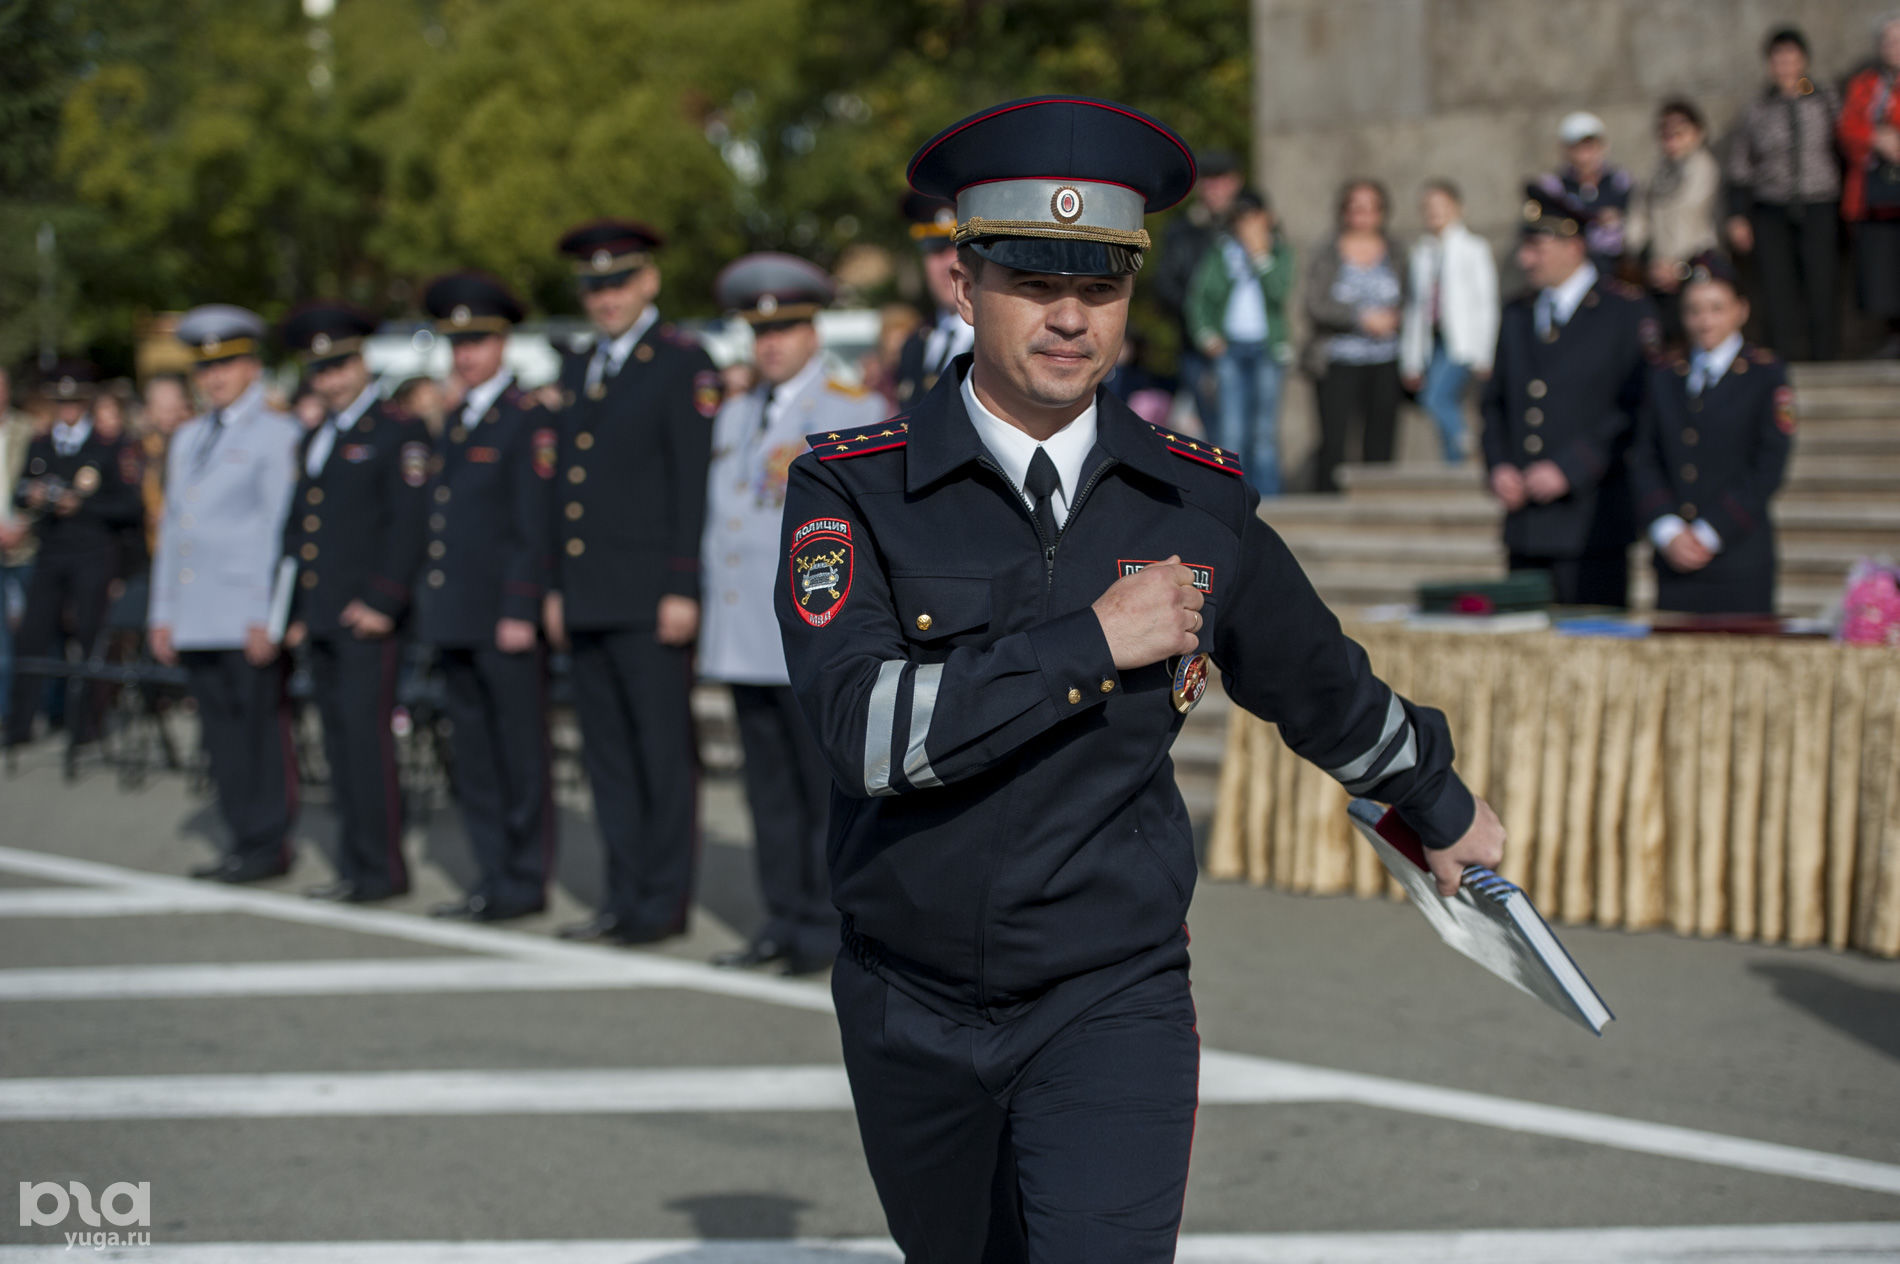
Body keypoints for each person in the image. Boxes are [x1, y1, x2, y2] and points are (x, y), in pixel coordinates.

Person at [777, 95, 1505, 1261]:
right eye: (1033, 281)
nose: (1070, 318)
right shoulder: (852, 488)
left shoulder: (1194, 499)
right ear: (962, 287)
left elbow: (1317, 680)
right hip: (905, 1000)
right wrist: (1090, 641)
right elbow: (862, 732)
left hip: (1106, 992)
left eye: (1102, 286)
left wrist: (1440, 801)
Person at [702, 253, 885, 976]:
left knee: (821, 796)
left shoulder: (850, 409)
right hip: (742, 635)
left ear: (814, 329)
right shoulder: (739, 409)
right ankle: (779, 916)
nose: (770, 343)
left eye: (785, 327)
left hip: (806, 637)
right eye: (760, 330)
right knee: (767, 793)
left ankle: (825, 925)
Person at [542, 219, 718, 946]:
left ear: (647, 281)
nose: (605, 297)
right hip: (589, 595)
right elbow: (566, 491)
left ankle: (661, 902)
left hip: (650, 597)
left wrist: (682, 584)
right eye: (593, 285)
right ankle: (622, 894)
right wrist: (557, 584)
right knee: (607, 759)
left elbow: (689, 483)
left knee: (660, 757)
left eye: (618, 281)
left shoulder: (680, 362)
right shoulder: (580, 366)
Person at [278, 303, 432, 903]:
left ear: (362, 361)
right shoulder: (321, 435)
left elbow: (407, 524)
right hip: (322, 614)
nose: (331, 378)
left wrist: (383, 600)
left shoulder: (396, 429)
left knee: (368, 746)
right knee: (338, 744)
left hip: (366, 618)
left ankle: (381, 869)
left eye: (341, 364)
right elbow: (302, 530)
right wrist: (291, 611)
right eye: (320, 368)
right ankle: (355, 863)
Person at [415, 273, 556, 922]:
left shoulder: (525, 420)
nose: (465, 355)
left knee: (518, 755)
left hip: (502, 618)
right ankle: (491, 873)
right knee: (472, 756)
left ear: (502, 344)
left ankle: (524, 879)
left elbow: (533, 522)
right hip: (458, 615)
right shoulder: (459, 419)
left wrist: (519, 607)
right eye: (456, 343)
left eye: (477, 341)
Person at [149, 308, 302, 882]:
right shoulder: (189, 437)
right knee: (221, 736)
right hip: (197, 613)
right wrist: (164, 613)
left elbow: (279, 532)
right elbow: (173, 531)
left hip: (246, 615)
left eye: (226, 365)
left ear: (251, 367)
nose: (213, 379)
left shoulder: (276, 434)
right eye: (205, 368)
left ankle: (268, 842)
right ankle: (242, 836)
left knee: (261, 732)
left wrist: (270, 614)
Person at [1482, 186, 1659, 608]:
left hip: (1591, 520)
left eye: (1536, 247)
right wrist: (1500, 464)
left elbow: (1637, 410)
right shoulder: (1517, 314)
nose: (1526, 259)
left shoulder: (1624, 312)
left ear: (1573, 245)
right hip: (1526, 519)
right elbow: (1495, 403)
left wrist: (1571, 468)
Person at [1630, 253, 1792, 615]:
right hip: (1674, 558)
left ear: (1741, 310)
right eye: (1694, 310)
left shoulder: (1764, 375)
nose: (1705, 322)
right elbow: (1644, 455)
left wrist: (1710, 532)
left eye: (1717, 308)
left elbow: (1768, 464)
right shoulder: (1665, 376)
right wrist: (1667, 528)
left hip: (1738, 556)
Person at [3, 363, 144, 757]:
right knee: (33, 635)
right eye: (60, 400)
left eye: (74, 400)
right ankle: (20, 722)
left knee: (89, 637)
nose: (67, 408)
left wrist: (80, 504)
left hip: (92, 552)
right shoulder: (41, 444)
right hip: (51, 550)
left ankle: (86, 724)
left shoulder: (107, 446)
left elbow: (128, 507)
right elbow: (19, 492)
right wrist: (33, 498)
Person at [1725, 25, 1844, 363]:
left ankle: (1826, 357)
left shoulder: (1826, 100)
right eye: (1778, 58)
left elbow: (1844, 149)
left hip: (1820, 202)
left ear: (1804, 60)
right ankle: (1785, 360)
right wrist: (1738, 214)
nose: (1785, 65)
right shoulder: (1758, 109)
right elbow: (1740, 165)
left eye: (1792, 57)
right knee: (1778, 287)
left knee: (1822, 283)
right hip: (1770, 206)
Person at [1185, 186, 1294, 493]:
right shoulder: (1222, 252)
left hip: (1268, 349)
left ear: (1267, 218)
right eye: (1240, 218)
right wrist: (1206, 335)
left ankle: (1271, 500)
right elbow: (1200, 298)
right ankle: (1232, 499)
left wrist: (1260, 256)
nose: (1246, 224)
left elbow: (1279, 293)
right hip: (1230, 349)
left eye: (1253, 217)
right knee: (1231, 430)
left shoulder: (1280, 252)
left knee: (1264, 432)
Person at [1303, 178, 1408, 492]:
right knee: (1333, 440)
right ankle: (1327, 508)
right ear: (1344, 211)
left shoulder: (1397, 251)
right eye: (1355, 207)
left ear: (1382, 212)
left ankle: (1378, 505)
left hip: (1386, 358)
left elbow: (1412, 299)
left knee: (1381, 438)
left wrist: (1396, 318)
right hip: (1338, 358)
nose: (1362, 214)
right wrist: (1360, 318)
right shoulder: (1328, 251)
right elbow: (1315, 303)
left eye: (1370, 207)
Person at [1399, 179, 1498, 464]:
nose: (1435, 213)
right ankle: (1453, 462)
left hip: (1463, 341)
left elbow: (1485, 302)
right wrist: (1411, 360)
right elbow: (1415, 307)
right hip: (1434, 339)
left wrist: (1485, 353)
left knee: (1436, 399)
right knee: (1443, 403)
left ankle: (1465, 439)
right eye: (1428, 208)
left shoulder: (1474, 248)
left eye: (1441, 206)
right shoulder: (1422, 252)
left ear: (1458, 208)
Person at [1154, 148, 1244, 435]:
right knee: (1215, 430)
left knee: (1256, 432)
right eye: (1207, 180)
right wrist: (1201, 323)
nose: (1214, 187)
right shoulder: (1181, 230)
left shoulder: (1252, 225)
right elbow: (1165, 285)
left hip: (1248, 345)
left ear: (1235, 182)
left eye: (1220, 179)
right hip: (1198, 348)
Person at [1627, 100, 1722, 345]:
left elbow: (1692, 216)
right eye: (1665, 132)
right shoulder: (1657, 172)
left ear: (1697, 132)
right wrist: (1641, 256)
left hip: (1697, 263)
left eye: (1680, 131)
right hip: (1659, 268)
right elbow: (1639, 216)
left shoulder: (1703, 166)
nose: (1672, 138)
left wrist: (1678, 266)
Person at [1839, 12, 1900, 358]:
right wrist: (1876, 138)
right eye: (1888, 41)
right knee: (1883, 270)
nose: (1893, 47)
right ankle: (1892, 334)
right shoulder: (1865, 84)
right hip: (1875, 196)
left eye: (1898, 40)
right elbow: (1847, 127)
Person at [889, 193, 974, 409]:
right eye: (936, 251)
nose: (948, 264)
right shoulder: (914, 345)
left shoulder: (999, 340)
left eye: (958, 248)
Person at [0, 366, 42, 724]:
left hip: (26, 542)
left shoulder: (27, 429)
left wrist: (23, 525)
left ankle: (44, 706)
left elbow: (39, 482)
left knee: (36, 627)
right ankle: (6, 711)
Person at [1544, 112, 1635, 271]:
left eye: (1589, 145)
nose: (1584, 155)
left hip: (1618, 269)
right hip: (1576, 269)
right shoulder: (1554, 188)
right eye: (1577, 147)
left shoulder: (1620, 182)